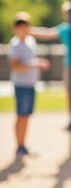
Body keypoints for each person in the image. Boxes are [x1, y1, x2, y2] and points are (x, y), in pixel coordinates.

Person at [8, 12, 50, 157]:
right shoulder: (15, 44)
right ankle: (19, 146)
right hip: (21, 85)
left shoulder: (31, 41)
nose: (24, 29)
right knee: (21, 115)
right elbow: (16, 67)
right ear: (16, 28)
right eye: (21, 26)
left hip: (31, 83)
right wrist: (35, 64)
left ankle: (23, 145)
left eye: (26, 25)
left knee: (26, 116)